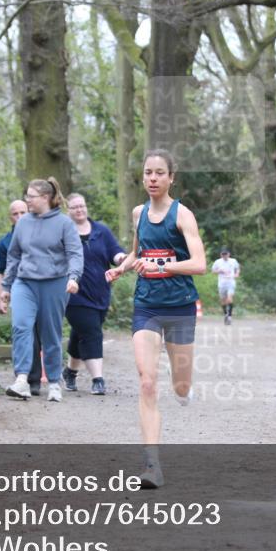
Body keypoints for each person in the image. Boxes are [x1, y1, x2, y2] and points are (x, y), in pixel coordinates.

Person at [106, 149, 206, 488]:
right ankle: (152, 465)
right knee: (147, 381)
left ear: (171, 177)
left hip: (179, 307)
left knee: (180, 385)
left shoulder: (183, 216)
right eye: (148, 172)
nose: (152, 178)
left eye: (159, 173)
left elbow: (199, 264)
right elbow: (139, 252)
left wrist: (162, 266)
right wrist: (122, 267)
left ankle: (184, 391)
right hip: (146, 305)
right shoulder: (139, 213)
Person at [0, 178, 83, 403]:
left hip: (54, 283)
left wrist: (74, 277)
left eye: (31, 196)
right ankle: (22, 380)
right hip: (24, 282)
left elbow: (75, 253)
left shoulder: (64, 223)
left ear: (45, 198)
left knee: (50, 333)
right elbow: (14, 255)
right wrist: (6, 286)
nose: (27, 200)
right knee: (21, 327)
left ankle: (54, 381)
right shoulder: (23, 223)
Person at [62, 193, 126, 396]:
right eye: (74, 207)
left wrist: (121, 258)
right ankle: (98, 379)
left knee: (80, 333)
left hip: (100, 293)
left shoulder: (101, 230)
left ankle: (70, 372)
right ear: (68, 210)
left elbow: (114, 252)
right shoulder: (64, 233)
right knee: (92, 333)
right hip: (74, 294)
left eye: (82, 205)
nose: (79, 210)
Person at [0, 199, 44, 395]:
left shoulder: (40, 236)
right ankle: (26, 379)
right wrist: (0, 297)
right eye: (16, 213)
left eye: (23, 212)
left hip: (41, 291)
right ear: (10, 217)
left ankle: (38, 377)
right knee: (23, 332)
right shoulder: (4, 243)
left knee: (39, 334)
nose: (20, 217)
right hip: (17, 292)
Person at [211, 247, 240, 325]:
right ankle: (225, 314)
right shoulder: (218, 262)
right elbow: (213, 271)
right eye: (223, 254)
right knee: (223, 300)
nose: (224, 256)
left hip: (230, 282)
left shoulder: (233, 261)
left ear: (229, 254)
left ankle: (230, 316)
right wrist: (219, 271)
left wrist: (237, 274)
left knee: (230, 299)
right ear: (221, 255)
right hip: (221, 283)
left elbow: (237, 268)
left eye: (226, 254)